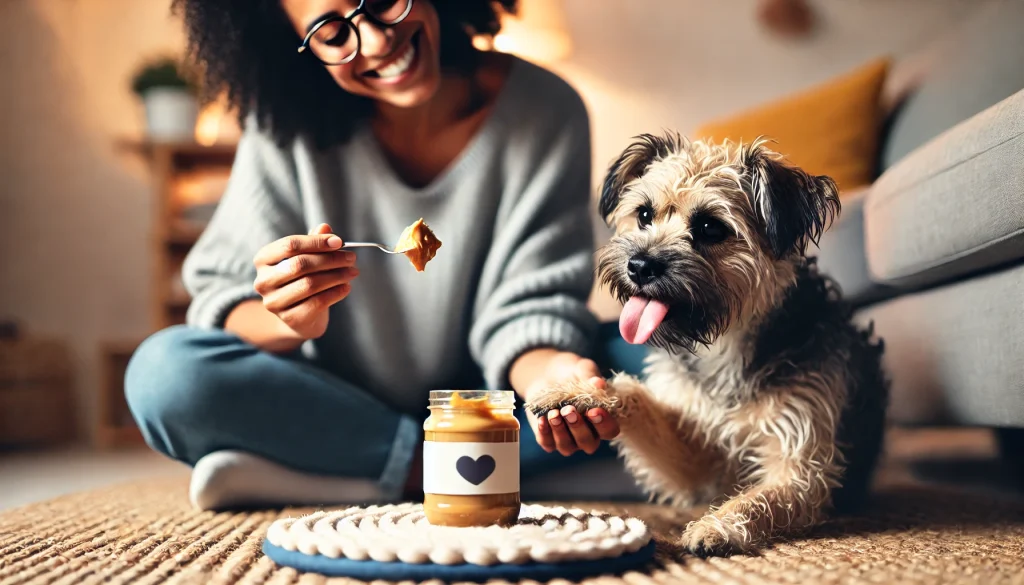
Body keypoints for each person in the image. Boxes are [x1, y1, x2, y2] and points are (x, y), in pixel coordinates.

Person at [125, 0, 647, 510]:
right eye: (332, 33)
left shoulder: (547, 107)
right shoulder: (279, 122)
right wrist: (288, 319)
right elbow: (224, 301)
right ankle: (482, 471)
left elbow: (532, 308)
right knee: (164, 374)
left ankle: (339, 475)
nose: (376, 42)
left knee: (668, 357)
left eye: (381, 1)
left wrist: (552, 381)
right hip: (334, 406)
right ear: (291, 44)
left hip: (492, 407)